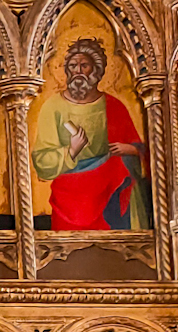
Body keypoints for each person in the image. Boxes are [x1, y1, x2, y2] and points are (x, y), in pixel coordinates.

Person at [32, 37, 150, 230]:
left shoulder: (113, 106)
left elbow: (143, 150)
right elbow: (42, 161)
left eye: (84, 65)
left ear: (96, 70)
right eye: (73, 66)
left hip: (108, 189)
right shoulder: (53, 107)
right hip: (69, 192)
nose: (77, 71)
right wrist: (71, 151)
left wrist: (131, 150)